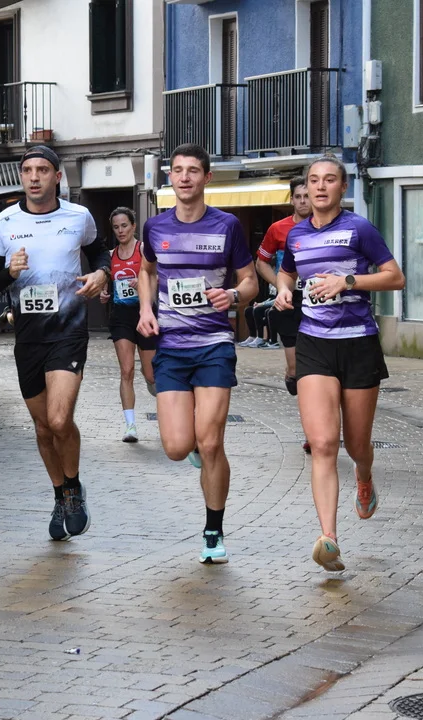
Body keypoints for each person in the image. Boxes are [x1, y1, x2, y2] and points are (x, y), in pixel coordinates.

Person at [274, 156, 405, 572]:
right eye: (314, 180)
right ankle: (328, 538)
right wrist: (282, 290)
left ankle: (364, 477)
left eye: (329, 179)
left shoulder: (359, 229)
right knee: (324, 443)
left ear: (342, 187)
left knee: (356, 445)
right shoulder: (296, 235)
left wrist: (347, 281)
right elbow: (287, 273)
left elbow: (395, 276)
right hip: (314, 344)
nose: (320, 186)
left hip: (358, 343)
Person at [0, 146, 110, 541]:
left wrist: (101, 274)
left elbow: (99, 252)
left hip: (68, 330)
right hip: (29, 337)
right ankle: (60, 495)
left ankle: (74, 489)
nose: (34, 177)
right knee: (41, 428)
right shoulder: (4, 222)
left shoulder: (78, 217)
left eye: (42, 170)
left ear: (57, 177)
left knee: (58, 420)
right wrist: (9, 271)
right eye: (27, 170)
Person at [137, 143, 259, 565]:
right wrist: (146, 309)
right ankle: (192, 447)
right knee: (176, 447)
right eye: (177, 170)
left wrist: (233, 295)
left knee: (210, 443)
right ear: (169, 177)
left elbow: (250, 281)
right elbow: (146, 270)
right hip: (171, 347)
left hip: (213, 346)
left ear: (207, 177)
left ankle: (213, 529)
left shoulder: (227, 226)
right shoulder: (155, 227)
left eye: (193, 170)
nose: (184, 177)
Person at [257, 176, 313, 453]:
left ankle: (312, 432)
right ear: (291, 200)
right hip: (288, 303)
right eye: (298, 197)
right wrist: (281, 286)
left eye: (307, 196)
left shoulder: (323, 226)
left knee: (312, 371)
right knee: (295, 371)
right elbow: (261, 262)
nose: (303, 201)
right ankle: (291, 376)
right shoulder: (278, 229)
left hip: (316, 301)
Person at [99, 207, 157, 443]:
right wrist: (104, 294)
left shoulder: (143, 250)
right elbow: (106, 286)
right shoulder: (110, 255)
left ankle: (151, 381)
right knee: (126, 370)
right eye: (116, 227)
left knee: (151, 374)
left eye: (124, 225)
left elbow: (156, 277)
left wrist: (142, 284)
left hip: (145, 314)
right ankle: (130, 426)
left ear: (133, 226)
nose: (120, 231)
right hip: (121, 316)